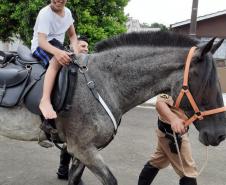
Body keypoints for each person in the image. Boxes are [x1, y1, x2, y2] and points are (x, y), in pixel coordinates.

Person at [31, 0, 78, 122]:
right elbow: (42, 42)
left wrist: (76, 51)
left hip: (57, 45)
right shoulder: (45, 14)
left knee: (74, 62)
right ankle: (45, 100)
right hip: (41, 46)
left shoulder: (67, 12)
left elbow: (72, 35)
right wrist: (57, 53)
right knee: (57, 61)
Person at [138, 94, 198, 185]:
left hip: (172, 132)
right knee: (188, 172)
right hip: (172, 134)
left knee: (156, 161)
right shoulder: (176, 81)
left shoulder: (195, 82)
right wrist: (174, 119)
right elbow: (160, 104)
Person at [57, 35, 89, 180]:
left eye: (87, 47)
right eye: (83, 46)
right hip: (69, 108)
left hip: (84, 109)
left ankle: (69, 173)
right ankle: (65, 170)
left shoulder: (88, 64)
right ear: (73, 47)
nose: (86, 49)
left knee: (77, 142)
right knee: (72, 142)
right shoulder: (65, 61)